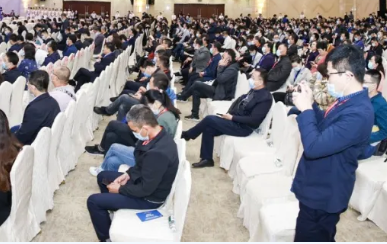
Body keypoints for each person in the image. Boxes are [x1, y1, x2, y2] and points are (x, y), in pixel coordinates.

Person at [290, 44, 375, 242]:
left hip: (325, 191)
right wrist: (311, 104)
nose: (327, 80)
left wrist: (306, 111)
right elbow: (327, 128)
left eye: (330, 74)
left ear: (348, 76)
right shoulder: (347, 100)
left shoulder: (359, 113)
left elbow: (314, 147)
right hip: (318, 183)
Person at [86, 105, 179, 243]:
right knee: (102, 176)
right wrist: (128, 174)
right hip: (143, 181)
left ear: (145, 128)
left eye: (134, 130)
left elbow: (145, 189)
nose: (134, 133)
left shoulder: (158, 153)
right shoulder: (156, 134)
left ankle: (107, 239)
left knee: (93, 201)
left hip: (149, 198)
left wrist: (120, 189)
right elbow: (142, 164)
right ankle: (112, 208)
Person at [181, 68, 273, 168]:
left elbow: (253, 120)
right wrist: (229, 114)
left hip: (243, 127)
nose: (250, 79)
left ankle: (187, 135)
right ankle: (207, 159)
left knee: (209, 119)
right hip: (235, 120)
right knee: (208, 128)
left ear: (260, 81)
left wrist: (232, 118)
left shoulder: (265, 98)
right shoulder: (254, 90)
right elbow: (240, 103)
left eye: (253, 77)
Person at [90, 89, 181, 177]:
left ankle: (101, 169)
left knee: (114, 146)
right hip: (146, 150)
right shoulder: (166, 114)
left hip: (146, 156)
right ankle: (105, 174)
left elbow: (150, 140)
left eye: (147, 106)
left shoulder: (162, 120)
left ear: (156, 104)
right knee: (111, 152)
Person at [184, 48, 239, 120]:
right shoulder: (229, 65)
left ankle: (183, 96)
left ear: (229, 59)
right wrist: (220, 66)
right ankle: (194, 115)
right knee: (196, 91)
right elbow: (218, 76)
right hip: (218, 89)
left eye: (223, 57)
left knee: (197, 83)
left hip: (222, 94)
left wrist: (220, 67)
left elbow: (220, 79)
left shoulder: (232, 69)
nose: (221, 59)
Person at [10, 70, 59, 146]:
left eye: (28, 83)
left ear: (33, 87)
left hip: (34, 143)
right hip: (48, 138)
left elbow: (24, 134)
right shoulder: (54, 102)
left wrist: (10, 140)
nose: (27, 84)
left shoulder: (34, 108)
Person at [359, 69, 387, 160]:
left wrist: (362, 138)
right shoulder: (362, 97)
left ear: (374, 85)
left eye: (365, 82)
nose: (362, 84)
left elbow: (385, 131)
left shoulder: (382, 105)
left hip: (367, 144)